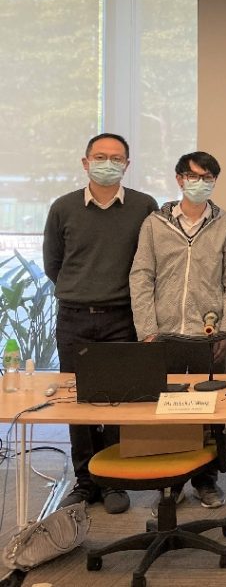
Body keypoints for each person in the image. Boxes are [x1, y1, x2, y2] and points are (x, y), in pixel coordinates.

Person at [45, 133, 158, 514]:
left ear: (127, 164)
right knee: (79, 402)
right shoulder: (63, 208)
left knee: (116, 402)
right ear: (85, 161)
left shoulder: (144, 206)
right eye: (100, 156)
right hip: (74, 318)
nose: (108, 163)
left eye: (116, 158)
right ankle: (85, 481)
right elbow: (53, 264)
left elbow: (150, 262)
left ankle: (113, 480)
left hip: (121, 317)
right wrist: (82, 290)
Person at [130, 150, 226, 510]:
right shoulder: (155, 223)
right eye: (194, 176)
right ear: (179, 178)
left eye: (208, 177)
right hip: (162, 335)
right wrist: (147, 330)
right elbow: (141, 276)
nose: (200, 183)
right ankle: (171, 483)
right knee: (166, 411)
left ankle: (206, 481)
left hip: (207, 336)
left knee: (208, 413)